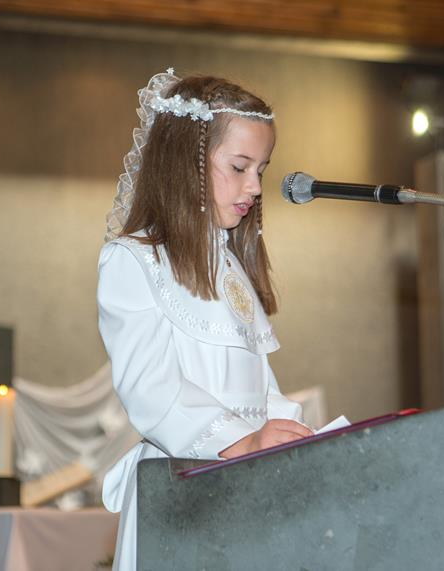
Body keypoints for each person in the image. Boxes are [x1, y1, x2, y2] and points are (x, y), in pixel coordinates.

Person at [97, 68, 313, 570]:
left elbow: (260, 386)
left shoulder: (231, 264)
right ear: (184, 163)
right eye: (239, 167)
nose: (254, 186)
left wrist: (295, 435)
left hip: (244, 483)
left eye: (261, 170)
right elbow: (151, 389)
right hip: (183, 484)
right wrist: (243, 441)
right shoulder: (134, 260)